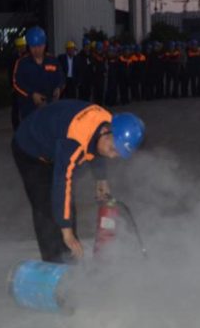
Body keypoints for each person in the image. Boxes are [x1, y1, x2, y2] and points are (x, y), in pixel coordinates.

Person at [12, 100, 144, 263]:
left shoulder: (107, 124)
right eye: (113, 150)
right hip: (30, 150)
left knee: (65, 208)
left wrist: (101, 179)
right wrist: (66, 231)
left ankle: (69, 254)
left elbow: (95, 147)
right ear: (105, 131)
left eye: (118, 154)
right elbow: (62, 183)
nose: (112, 156)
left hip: (56, 144)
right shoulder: (74, 141)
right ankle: (54, 266)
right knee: (47, 208)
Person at [13, 26, 64, 119]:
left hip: (50, 106)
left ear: (44, 45)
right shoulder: (22, 63)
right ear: (29, 46)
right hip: (29, 109)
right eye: (33, 47)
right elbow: (16, 83)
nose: (36, 50)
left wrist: (59, 88)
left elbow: (61, 78)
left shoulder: (53, 61)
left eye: (39, 46)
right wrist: (31, 95)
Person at [9, 36, 28, 130]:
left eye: (23, 46)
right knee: (15, 108)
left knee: (26, 106)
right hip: (16, 86)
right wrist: (12, 86)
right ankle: (16, 127)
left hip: (26, 86)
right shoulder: (13, 58)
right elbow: (10, 73)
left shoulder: (27, 57)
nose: (22, 48)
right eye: (20, 46)